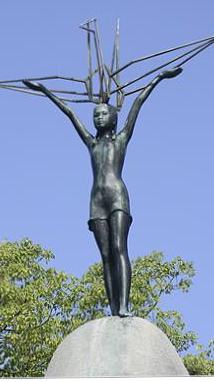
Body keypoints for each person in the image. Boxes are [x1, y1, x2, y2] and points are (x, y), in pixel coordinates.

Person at [22, 67, 182, 317]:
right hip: (96, 202)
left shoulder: (121, 139)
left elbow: (138, 102)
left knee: (120, 248)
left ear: (114, 118)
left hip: (117, 197)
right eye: (96, 114)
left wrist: (159, 78)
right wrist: (45, 91)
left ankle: (124, 305)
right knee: (106, 257)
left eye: (103, 113)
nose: (98, 117)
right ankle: (112, 309)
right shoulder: (91, 142)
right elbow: (69, 113)